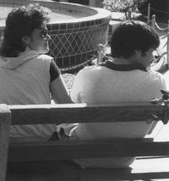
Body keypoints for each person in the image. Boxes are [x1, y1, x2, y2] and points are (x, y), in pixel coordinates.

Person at [69, 20, 169, 169]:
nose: (153, 58)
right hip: (124, 159)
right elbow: (149, 129)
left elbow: (73, 103)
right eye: (151, 52)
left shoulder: (87, 75)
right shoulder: (157, 81)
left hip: (84, 157)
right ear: (137, 51)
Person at [0, 4, 72, 142]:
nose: (48, 37)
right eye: (42, 33)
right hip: (43, 149)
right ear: (25, 39)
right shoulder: (46, 64)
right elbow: (69, 110)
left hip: (5, 151)